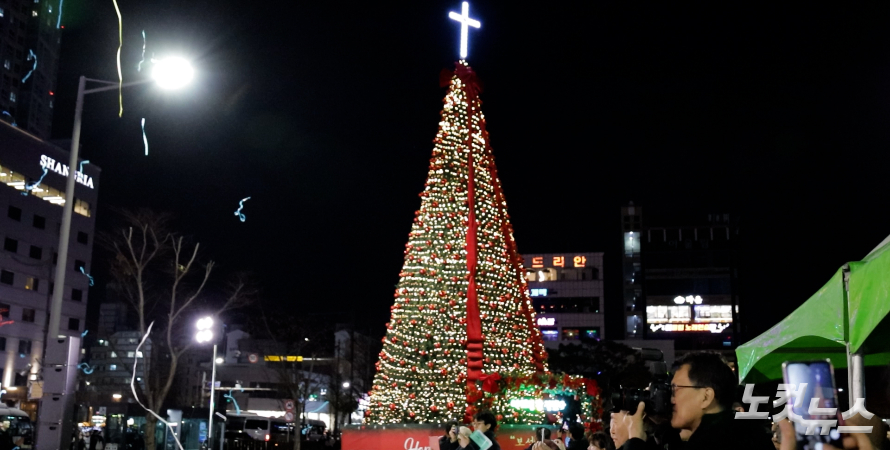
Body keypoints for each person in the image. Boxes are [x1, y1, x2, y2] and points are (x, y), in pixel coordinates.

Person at [638, 351, 773, 450]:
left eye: (675, 390)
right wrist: (662, 426)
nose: (671, 399)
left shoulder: (715, 440)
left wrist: (635, 441)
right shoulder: (743, 432)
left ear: (706, 397)